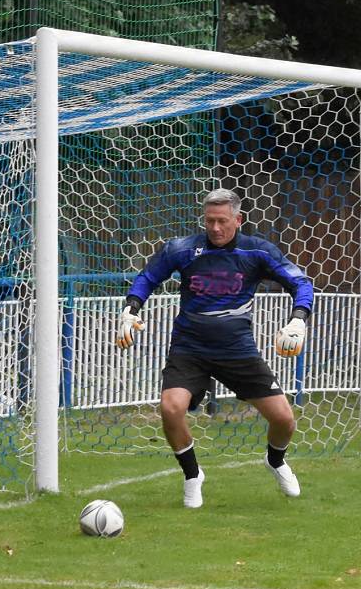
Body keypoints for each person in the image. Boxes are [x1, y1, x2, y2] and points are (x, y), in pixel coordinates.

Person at [115, 188, 313, 508]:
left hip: (238, 350)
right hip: (189, 348)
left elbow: (300, 283)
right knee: (170, 408)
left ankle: (275, 461)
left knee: (284, 420)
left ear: (239, 219)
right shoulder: (182, 249)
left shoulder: (257, 252)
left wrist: (298, 319)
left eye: (222, 221)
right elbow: (147, 277)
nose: (216, 228)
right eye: (210, 221)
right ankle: (192, 476)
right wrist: (130, 310)